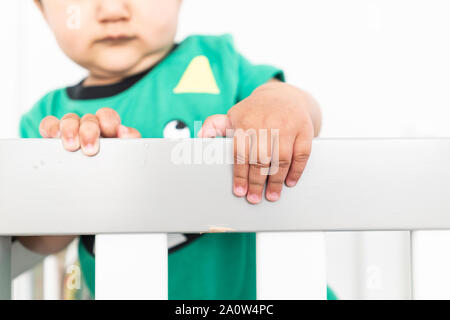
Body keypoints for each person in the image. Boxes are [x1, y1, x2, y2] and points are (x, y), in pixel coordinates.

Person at [18, 0, 324, 299]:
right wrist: (79, 177)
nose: (112, 11)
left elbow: (299, 115)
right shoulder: (50, 121)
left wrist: (278, 100)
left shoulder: (216, 62)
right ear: (42, 9)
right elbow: (40, 240)